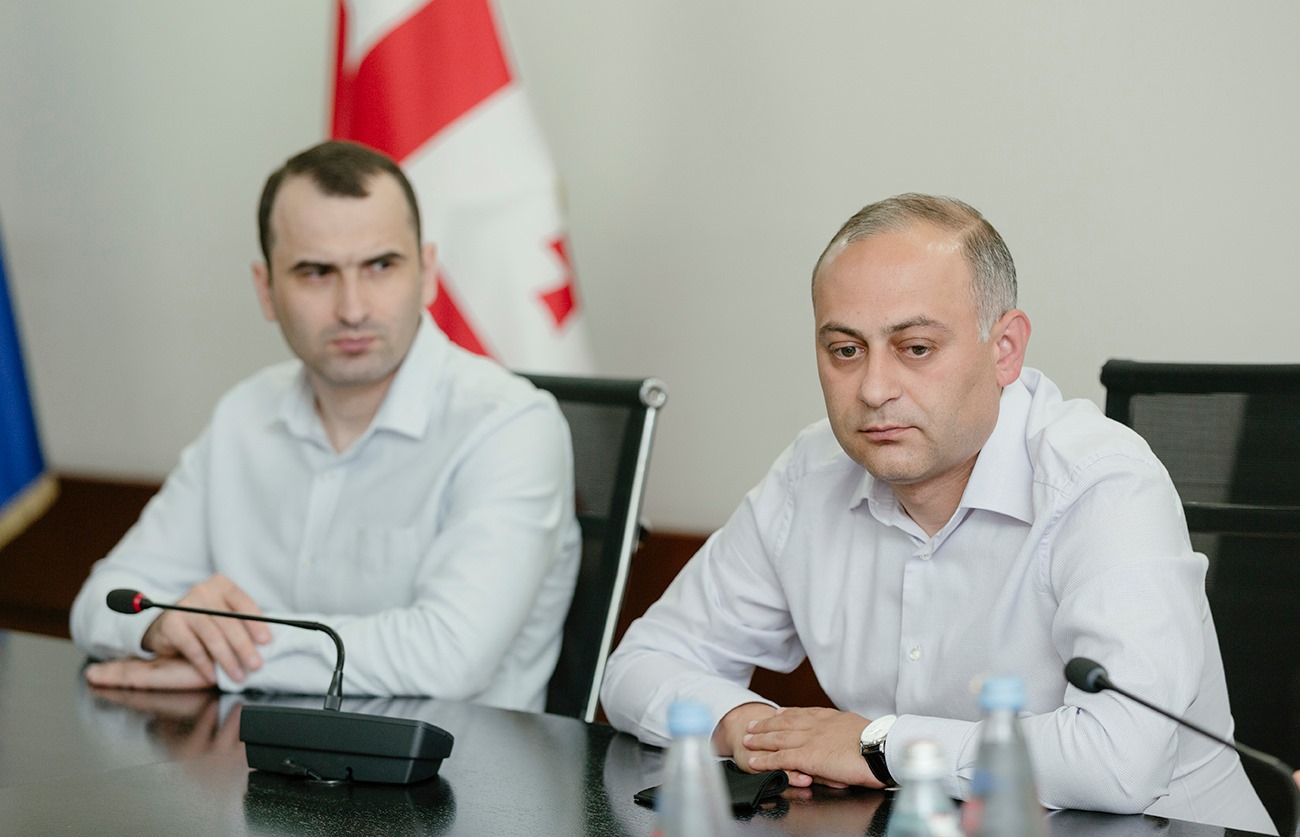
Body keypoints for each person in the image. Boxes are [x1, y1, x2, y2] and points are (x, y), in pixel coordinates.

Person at [600, 194, 1273, 832]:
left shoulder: (1102, 482)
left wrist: (876, 745)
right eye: (845, 350)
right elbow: (641, 664)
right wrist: (755, 729)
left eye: (916, 348)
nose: (874, 389)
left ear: (1005, 349)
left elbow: (1120, 760)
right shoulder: (811, 474)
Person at [70, 140, 581, 712]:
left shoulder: (510, 426)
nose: (353, 309)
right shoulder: (245, 413)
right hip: (249, 758)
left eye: (381, 266)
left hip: (455, 766)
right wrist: (161, 626)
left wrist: (222, 660)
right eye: (316, 273)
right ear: (266, 290)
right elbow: (102, 602)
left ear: (428, 273)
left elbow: (449, 654)